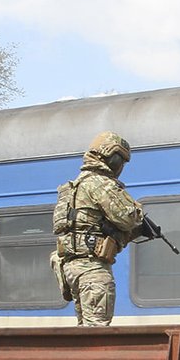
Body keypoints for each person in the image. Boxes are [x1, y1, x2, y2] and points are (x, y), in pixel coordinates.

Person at [51, 132, 153, 326]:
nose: (120, 166)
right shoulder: (99, 183)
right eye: (119, 160)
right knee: (96, 332)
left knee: (85, 330)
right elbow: (128, 218)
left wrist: (124, 235)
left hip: (72, 269)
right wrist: (138, 217)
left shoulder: (73, 187)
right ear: (107, 157)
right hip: (92, 270)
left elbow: (85, 227)